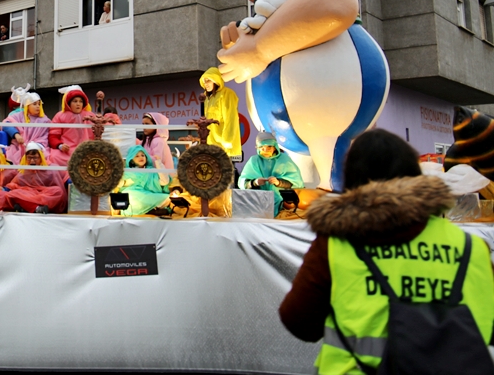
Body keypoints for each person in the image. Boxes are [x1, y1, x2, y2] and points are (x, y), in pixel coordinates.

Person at [279, 129, 494, 374]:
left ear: (352, 181)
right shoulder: (471, 248)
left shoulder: (336, 243)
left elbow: (299, 322)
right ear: (415, 176)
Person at [238, 131, 303, 215]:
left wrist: (279, 182)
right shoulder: (253, 161)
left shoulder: (285, 160)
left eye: (269, 147)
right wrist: (255, 182)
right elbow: (242, 183)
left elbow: (296, 183)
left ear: (275, 147)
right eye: (262, 147)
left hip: (283, 205)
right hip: (257, 205)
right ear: (257, 148)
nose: (266, 150)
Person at [4, 142, 67, 214]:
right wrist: (5, 189)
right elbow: (14, 184)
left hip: (45, 195)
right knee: (13, 193)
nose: (32, 161)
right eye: (29, 158)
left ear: (41, 157)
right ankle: (36, 208)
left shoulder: (51, 167)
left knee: (58, 191)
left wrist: (69, 180)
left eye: (35, 158)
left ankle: (27, 207)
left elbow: (65, 175)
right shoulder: (23, 171)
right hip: (29, 194)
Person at [115, 145, 171, 216]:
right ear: (131, 159)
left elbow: (165, 181)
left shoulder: (151, 171)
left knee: (168, 198)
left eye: (142, 155)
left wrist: (159, 165)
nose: (141, 157)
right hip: (134, 195)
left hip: (149, 195)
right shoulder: (128, 172)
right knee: (129, 195)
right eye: (137, 156)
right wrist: (125, 182)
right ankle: (151, 210)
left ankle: (151, 209)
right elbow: (118, 184)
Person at [48, 85, 96, 167]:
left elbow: (98, 134)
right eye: (75, 101)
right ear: (68, 103)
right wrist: (60, 146)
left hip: (86, 150)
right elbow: (53, 137)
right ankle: (66, 179)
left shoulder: (91, 116)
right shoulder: (60, 116)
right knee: (54, 157)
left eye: (80, 101)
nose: (78, 104)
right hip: (66, 152)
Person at [199, 67, 242, 158]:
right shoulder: (206, 98)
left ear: (216, 80)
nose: (206, 84)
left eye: (208, 80)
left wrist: (227, 140)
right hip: (210, 144)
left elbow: (231, 118)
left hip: (223, 146)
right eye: (204, 81)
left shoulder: (227, 94)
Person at [2, 90, 51, 165]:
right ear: (27, 106)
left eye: (39, 104)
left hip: (37, 149)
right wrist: (16, 134)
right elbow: (6, 124)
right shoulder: (19, 116)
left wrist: (34, 146)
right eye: (34, 104)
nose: (38, 106)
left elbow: (44, 138)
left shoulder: (45, 120)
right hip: (19, 147)